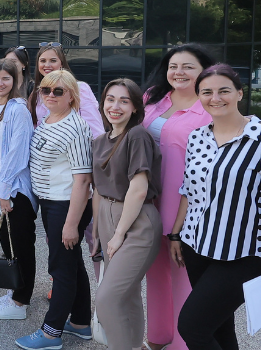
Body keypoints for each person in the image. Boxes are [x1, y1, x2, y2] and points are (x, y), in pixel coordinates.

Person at [174, 64, 261, 350]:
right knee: (219, 328)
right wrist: (176, 235)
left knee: (192, 327)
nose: (215, 98)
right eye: (206, 92)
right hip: (197, 247)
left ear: (239, 93)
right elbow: (188, 191)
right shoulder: (197, 137)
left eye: (224, 90)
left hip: (243, 254)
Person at [139, 43, 215, 350]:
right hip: (145, 199)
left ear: (204, 71)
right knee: (155, 274)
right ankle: (157, 337)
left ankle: (182, 345)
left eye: (188, 67)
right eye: (173, 66)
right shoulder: (153, 97)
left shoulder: (209, 106)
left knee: (183, 275)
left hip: (184, 203)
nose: (178, 72)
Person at [15, 69, 94, 350]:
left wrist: (71, 224)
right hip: (50, 203)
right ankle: (82, 322)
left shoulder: (75, 127)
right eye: (46, 90)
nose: (50, 95)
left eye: (58, 91)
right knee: (73, 265)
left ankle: (51, 333)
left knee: (60, 269)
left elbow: (83, 179)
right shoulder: (48, 119)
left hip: (65, 205)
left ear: (71, 95)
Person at [91, 78, 163, 350]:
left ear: (135, 107)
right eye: (110, 99)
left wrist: (119, 233)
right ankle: (135, 345)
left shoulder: (137, 135)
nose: (115, 106)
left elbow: (138, 189)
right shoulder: (99, 141)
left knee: (107, 298)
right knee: (127, 293)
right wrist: (97, 232)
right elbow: (98, 189)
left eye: (124, 100)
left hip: (136, 221)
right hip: (107, 218)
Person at [0, 58, 38, 320]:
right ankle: (15, 290)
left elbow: (17, 154)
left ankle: (21, 302)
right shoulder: (0, 107)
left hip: (14, 189)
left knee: (21, 244)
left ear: (16, 80)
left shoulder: (19, 110)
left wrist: (4, 192)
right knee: (8, 242)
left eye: (5, 78)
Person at [29, 42, 104, 138]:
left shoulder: (80, 88)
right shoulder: (37, 93)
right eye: (43, 61)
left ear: (62, 63)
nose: (47, 65)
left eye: (53, 60)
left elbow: (95, 129)